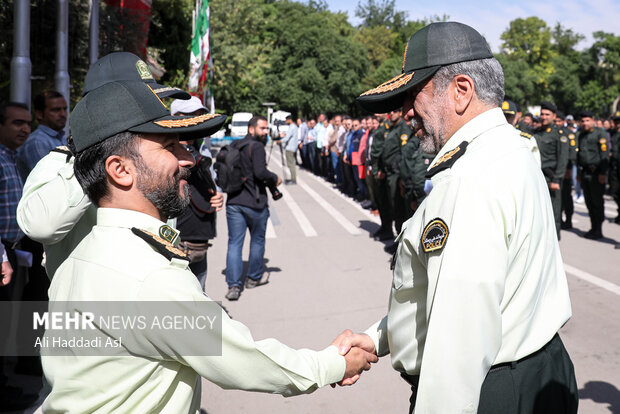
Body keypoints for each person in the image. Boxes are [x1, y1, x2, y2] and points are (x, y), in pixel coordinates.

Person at [39, 80, 376, 412]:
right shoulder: (147, 278)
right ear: (120, 170)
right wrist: (332, 364)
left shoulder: (78, 256)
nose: (188, 158)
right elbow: (242, 360)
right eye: (170, 146)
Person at [336, 21, 577, 413]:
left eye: (413, 95)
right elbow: (450, 296)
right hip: (541, 372)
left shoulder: (468, 180)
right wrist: (381, 337)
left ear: (461, 91)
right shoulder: (512, 148)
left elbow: (459, 337)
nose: (405, 114)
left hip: (487, 389)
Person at [17, 51, 191, 280]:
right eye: (142, 100)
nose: (156, 108)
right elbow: (40, 225)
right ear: (104, 107)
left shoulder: (147, 157)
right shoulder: (61, 162)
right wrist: (95, 155)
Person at [224, 116, 281, 301]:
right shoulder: (256, 147)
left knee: (234, 243)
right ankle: (253, 278)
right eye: (262, 128)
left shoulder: (236, 145)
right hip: (255, 203)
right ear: (251, 129)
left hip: (233, 202)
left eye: (267, 128)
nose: (266, 132)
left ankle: (233, 285)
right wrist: (275, 178)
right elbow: (260, 173)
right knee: (257, 241)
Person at [170, 96, 224, 290]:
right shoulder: (163, 147)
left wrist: (217, 195)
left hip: (200, 238)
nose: (196, 121)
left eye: (199, 116)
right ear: (175, 117)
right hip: (174, 238)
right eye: (191, 116)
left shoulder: (202, 148)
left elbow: (212, 179)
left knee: (199, 293)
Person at [534, 101, 569, 239]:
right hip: (537, 177)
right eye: (542, 114)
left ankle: (554, 239)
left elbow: (562, 159)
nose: (543, 117)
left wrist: (556, 179)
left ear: (554, 116)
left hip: (551, 178)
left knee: (553, 211)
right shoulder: (537, 132)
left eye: (547, 114)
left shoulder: (559, 134)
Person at [577, 110, 610, 239]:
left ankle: (598, 229)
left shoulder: (600, 134)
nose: (585, 123)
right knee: (589, 202)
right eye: (583, 121)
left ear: (593, 120)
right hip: (585, 173)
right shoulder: (581, 135)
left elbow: (604, 155)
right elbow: (580, 156)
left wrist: (603, 173)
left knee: (597, 202)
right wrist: (579, 173)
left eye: (587, 120)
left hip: (596, 173)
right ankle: (593, 227)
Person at [502, 99, 541, 165]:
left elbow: (536, 166)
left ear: (515, 118)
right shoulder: (488, 138)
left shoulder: (527, 140)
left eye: (508, 116)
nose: (504, 118)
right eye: (502, 115)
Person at [281, 115, 299, 184]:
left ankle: (293, 179)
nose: (286, 122)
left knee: (291, 164)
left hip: (290, 148)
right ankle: (292, 178)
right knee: (291, 164)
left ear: (289, 120)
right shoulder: (294, 126)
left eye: (286, 120)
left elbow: (287, 138)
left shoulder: (292, 127)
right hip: (293, 147)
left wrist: (280, 141)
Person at [610, 111, 620, 224]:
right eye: (616, 121)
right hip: (614, 167)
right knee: (615, 192)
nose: (618, 123)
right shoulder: (613, 134)